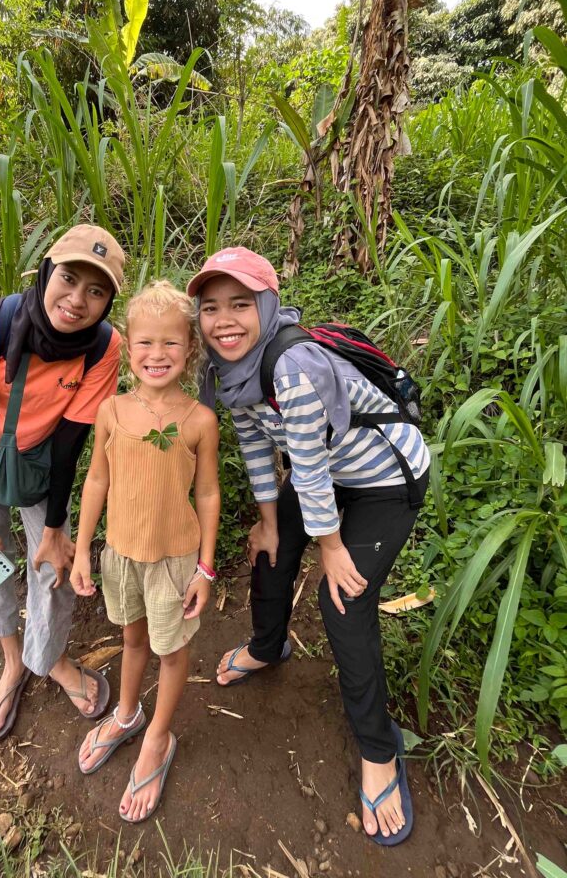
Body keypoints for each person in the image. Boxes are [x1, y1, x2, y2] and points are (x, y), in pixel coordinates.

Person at [187, 248, 430, 847]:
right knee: (269, 552)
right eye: (210, 308)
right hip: (325, 469)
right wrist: (269, 521)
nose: (224, 321)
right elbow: (255, 444)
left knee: (343, 600)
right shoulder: (227, 368)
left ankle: (379, 751)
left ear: (267, 305)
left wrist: (331, 546)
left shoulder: (290, 365)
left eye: (240, 304)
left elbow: (310, 465)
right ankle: (268, 647)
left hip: (384, 476)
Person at [0, 224, 125, 742]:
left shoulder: (102, 347)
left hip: (40, 460)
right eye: (68, 279)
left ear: (108, 302)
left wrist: (55, 527)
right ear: (46, 273)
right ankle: (12, 658)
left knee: (53, 561)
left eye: (96, 290)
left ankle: (50, 657)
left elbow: (70, 441)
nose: (77, 300)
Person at [71, 280, 220, 823]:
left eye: (171, 342)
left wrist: (205, 568)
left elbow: (208, 494)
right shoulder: (111, 411)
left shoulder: (200, 419)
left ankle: (158, 736)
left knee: (171, 651)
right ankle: (128, 713)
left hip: (175, 562)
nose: (158, 354)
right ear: (128, 346)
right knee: (131, 639)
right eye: (146, 343)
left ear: (191, 348)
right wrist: (82, 549)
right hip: (122, 556)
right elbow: (96, 481)